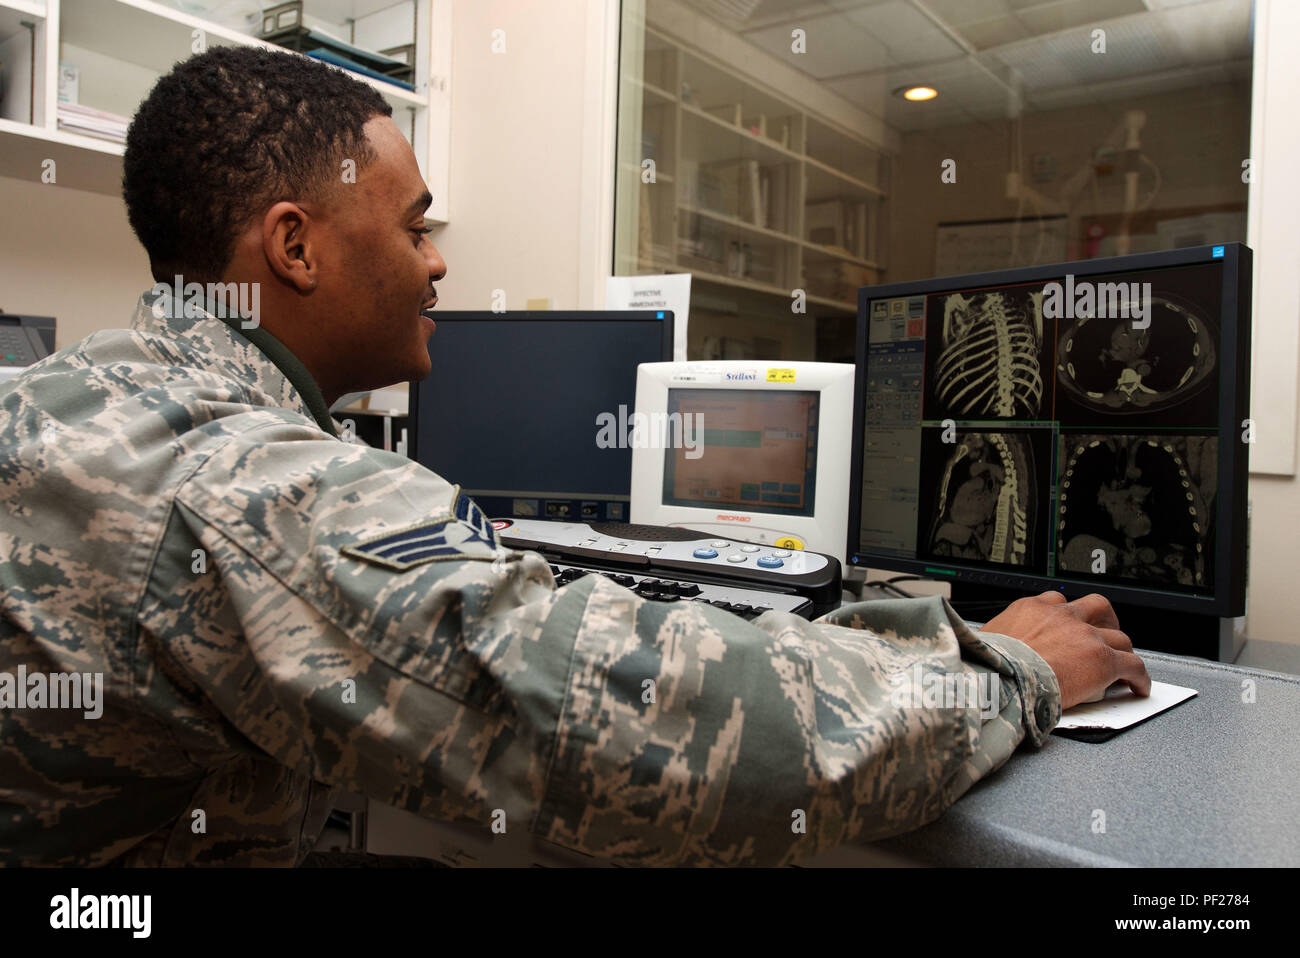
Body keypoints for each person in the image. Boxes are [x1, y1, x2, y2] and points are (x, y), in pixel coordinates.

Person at [0, 47, 1150, 867]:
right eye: (414, 228)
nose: (436, 265)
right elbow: (656, 736)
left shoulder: (62, 397)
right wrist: (1011, 667)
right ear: (294, 247)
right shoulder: (253, 490)